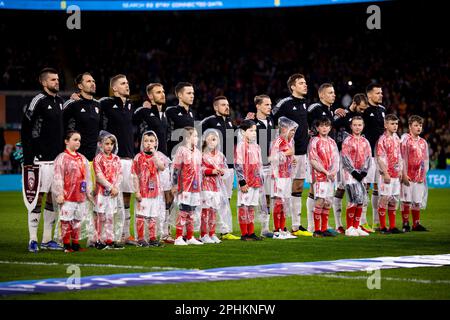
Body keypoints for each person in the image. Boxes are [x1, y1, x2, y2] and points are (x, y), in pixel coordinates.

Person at [21, 67, 65, 252]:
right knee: (36, 199)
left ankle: (47, 239)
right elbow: (26, 130)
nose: (57, 82)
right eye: (53, 80)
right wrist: (29, 159)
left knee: (53, 200)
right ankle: (32, 239)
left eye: (57, 79)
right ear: (44, 82)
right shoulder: (37, 101)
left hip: (57, 161)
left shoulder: (61, 102)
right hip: (39, 160)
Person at [133, 83, 174, 243]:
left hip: (163, 159)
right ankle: (144, 235)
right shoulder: (145, 111)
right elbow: (132, 119)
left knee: (167, 196)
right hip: (148, 161)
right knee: (150, 197)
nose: (162, 94)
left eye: (163, 91)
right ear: (150, 96)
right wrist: (142, 108)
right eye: (158, 92)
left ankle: (164, 231)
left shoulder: (163, 114)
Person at [99, 74, 136, 245]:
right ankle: (107, 235)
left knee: (127, 197)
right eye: (123, 83)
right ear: (114, 88)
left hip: (129, 158)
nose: (126, 85)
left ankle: (125, 234)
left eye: (127, 83)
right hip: (113, 159)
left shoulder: (130, 105)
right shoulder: (105, 103)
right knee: (111, 198)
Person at [272, 74, 309, 234]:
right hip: (286, 154)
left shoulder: (305, 104)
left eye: (305, 83)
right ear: (293, 86)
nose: (305, 85)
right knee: (283, 189)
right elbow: (270, 118)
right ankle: (279, 226)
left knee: (298, 186)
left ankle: (296, 225)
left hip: (302, 151)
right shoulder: (285, 103)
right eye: (301, 83)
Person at [307, 83, 346, 234]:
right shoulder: (315, 108)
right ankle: (313, 226)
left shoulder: (328, 111)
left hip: (327, 157)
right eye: (330, 93)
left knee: (325, 197)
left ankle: (322, 226)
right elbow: (305, 120)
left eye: (334, 92)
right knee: (314, 191)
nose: (334, 95)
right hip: (314, 153)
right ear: (321, 95)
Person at [200, 96, 239, 240]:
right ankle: (208, 231)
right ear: (216, 107)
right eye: (223, 105)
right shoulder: (209, 121)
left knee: (225, 199)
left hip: (228, 166)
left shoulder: (229, 122)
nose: (227, 107)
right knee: (210, 201)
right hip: (211, 168)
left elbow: (235, 138)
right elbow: (197, 136)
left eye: (227, 104)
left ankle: (224, 229)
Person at [333, 93, 372, 233]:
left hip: (359, 160)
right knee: (342, 189)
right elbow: (328, 123)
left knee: (361, 193)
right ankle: (339, 225)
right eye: (361, 109)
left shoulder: (362, 119)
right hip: (341, 158)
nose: (363, 111)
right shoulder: (343, 115)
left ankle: (358, 225)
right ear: (354, 104)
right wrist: (334, 111)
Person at [53, 130, 93, 252]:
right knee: (66, 221)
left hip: (80, 196)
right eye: (75, 139)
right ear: (66, 141)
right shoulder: (62, 158)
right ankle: (66, 245)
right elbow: (58, 177)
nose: (78, 142)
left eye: (79, 140)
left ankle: (75, 244)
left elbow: (87, 178)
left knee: (77, 221)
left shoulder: (82, 158)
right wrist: (59, 193)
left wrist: (88, 192)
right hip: (67, 197)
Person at [132, 131, 166, 247]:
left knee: (153, 215)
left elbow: (161, 167)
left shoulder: (158, 156)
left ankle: (152, 238)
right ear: (142, 142)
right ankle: (141, 238)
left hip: (155, 192)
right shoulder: (138, 157)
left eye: (151, 141)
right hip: (143, 192)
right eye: (146, 141)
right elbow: (134, 175)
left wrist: (155, 154)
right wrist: (137, 191)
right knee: (141, 215)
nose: (148, 144)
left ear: (156, 142)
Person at [171, 127, 204, 245]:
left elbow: (199, 171)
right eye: (194, 136)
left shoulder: (198, 152)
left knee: (192, 211)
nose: (197, 138)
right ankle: (179, 237)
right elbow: (176, 169)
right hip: (184, 186)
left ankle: (190, 237)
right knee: (183, 210)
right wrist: (175, 184)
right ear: (187, 138)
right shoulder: (181, 150)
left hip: (195, 187)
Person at [308, 117, 339, 238]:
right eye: (321, 125)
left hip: (330, 177)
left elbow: (336, 159)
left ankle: (324, 228)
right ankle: (317, 230)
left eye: (326, 125)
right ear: (317, 128)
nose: (324, 128)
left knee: (328, 202)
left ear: (330, 128)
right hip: (320, 176)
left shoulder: (332, 142)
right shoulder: (314, 141)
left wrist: (334, 172)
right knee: (320, 201)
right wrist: (326, 172)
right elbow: (313, 160)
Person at [269, 117, 299, 239]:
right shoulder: (278, 141)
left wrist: (293, 160)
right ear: (284, 129)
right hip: (278, 176)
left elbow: (289, 156)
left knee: (285, 203)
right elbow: (272, 158)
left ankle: (283, 229)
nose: (293, 133)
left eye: (294, 131)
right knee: (278, 202)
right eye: (292, 130)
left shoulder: (290, 141)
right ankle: (276, 230)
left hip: (287, 176)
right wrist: (287, 154)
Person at [92, 131, 123, 250]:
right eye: (107, 144)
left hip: (112, 193)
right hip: (101, 193)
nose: (109, 146)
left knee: (110, 216)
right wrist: (110, 187)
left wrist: (116, 187)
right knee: (100, 216)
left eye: (111, 144)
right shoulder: (98, 159)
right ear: (100, 145)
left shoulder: (116, 159)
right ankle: (98, 239)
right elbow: (99, 177)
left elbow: (120, 174)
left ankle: (109, 239)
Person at [363, 83, 388, 230]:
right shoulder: (364, 110)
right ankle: (363, 220)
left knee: (379, 188)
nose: (381, 95)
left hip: (381, 155)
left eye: (381, 92)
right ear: (369, 95)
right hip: (368, 155)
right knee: (365, 187)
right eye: (378, 93)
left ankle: (377, 221)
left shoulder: (383, 110)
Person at [340, 116, 371, 237]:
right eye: (355, 125)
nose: (357, 127)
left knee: (360, 200)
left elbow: (368, 157)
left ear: (363, 126)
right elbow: (345, 157)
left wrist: (363, 172)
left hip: (361, 175)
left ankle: (357, 226)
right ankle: (349, 227)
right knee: (353, 200)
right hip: (350, 175)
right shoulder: (347, 141)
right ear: (351, 126)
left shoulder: (365, 141)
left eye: (359, 125)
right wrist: (353, 172)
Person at [234, 120, 263, 241]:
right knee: (243, 206)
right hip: (246, 182)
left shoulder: (256, 146)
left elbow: (259, 165)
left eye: (255, 131)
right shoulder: (240, 146)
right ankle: (244, 233)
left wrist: (260, 180)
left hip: (255, 182)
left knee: (251, 207)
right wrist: (242, 181)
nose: (253, 133)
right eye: (251, 130)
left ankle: (251, 232)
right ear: (243, 132)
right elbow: (238, 164)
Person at [200, 129, 229, 244]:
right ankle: (204, 234)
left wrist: (222, 171)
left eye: (214, 139)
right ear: (205, 140)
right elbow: (199, 170)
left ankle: (212, 233)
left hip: (216, 187)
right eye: (210, 139)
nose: (212, 141)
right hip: (206, 186)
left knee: (214, 211)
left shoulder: (220, 155)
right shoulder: (201, 155)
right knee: (205, 210)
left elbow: (224, 169)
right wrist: (211, 171)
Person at [400, 115, 429, 232]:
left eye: (420, 125)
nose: (418, 127)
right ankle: (405, 223)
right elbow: (401, 158)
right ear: (410, 127)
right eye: (416, 125)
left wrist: (423, 174)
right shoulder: (405, 140)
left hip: (419, 177)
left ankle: (416, 224)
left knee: (417, 201)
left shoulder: (423, 142)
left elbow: (425, 160)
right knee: (406, 200)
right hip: (407, 176)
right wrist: (403, 174)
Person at [63, 72, 101, 161]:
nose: (93, 84)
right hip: (75, 157)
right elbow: (60, 127)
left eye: (93, 81)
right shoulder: (72, 104)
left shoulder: (98, 104)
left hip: (94, 158)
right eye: (88, 81)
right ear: (80, 86)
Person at [375, 114, 403, 234]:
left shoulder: (397, 138)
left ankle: (392, 226)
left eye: (396, 123)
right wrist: (385, 173)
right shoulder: (382, 140)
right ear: (386, 125)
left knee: (394, 199)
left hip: (396, 174)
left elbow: (399, 156)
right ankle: (382, 227)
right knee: (384, 198)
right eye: (392, 123)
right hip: (386, 175)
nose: (395, 126)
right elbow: (380, 158)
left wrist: (401, 170)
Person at [165, 82, 197, 157]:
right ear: (180, 95)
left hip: (190, 155)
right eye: (189, 93)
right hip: (175, 155)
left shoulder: (192, 113)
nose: (192, 96)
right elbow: (166, 133)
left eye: (193, 93)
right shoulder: (171, 111)